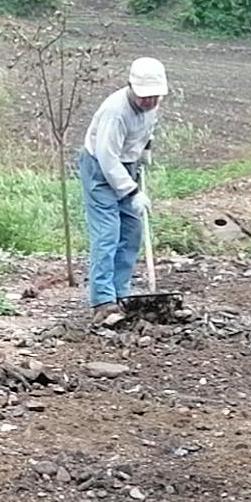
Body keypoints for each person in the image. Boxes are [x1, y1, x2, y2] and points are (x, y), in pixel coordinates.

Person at [79, 57, 167, 325]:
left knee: (131, 231)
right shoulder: (115, 112)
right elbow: (107, 158)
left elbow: (146, 130)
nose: (149, 102)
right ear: (131, 87)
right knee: (107, 233)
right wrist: (131, 192)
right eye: (144, 97)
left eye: (154, 96)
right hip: (99, 170)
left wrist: (145, 152)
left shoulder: (152, 104)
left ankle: (121, 295)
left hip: (128, 166)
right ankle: (103, 302)